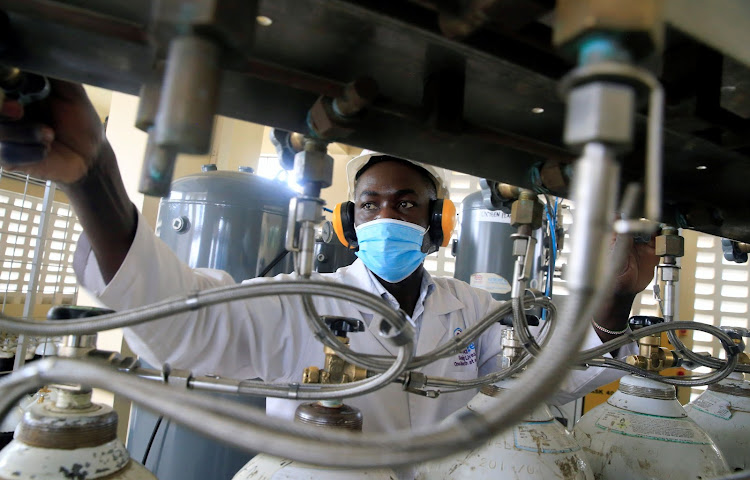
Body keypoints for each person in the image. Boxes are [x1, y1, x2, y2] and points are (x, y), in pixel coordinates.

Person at [0, 81, 658, 433]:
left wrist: (617, 296)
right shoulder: (301, 301)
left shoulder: (476, 309)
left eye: (407, 204)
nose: (387, 216)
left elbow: (551, 378)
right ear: (347, 221)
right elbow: (181, 325)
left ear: (437, 225)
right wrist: (95, 179)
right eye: (370, 204)